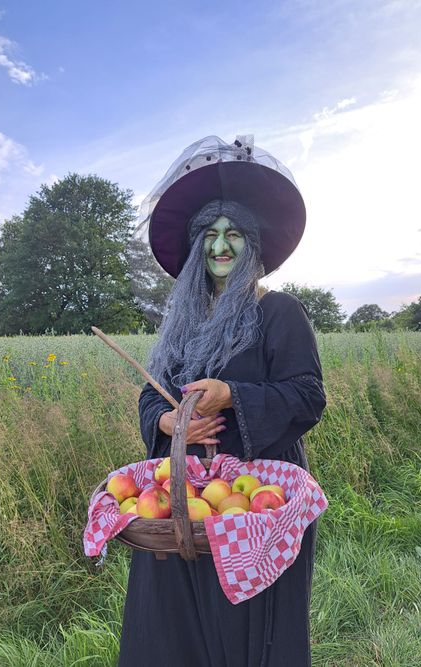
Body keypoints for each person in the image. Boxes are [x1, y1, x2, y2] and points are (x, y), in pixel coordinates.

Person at [118, 136, 326, 667]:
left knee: (249, 625)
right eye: (209, 235)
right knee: (174, 620)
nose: (220, 246)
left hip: (257, 501)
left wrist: (232, 395)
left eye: (233, 233)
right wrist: (169, 422)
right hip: (183, 495)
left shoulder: (280, 312)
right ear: (196, 249)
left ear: (251, 244)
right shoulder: (183, 323)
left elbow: (308, 396)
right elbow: (152, 393)